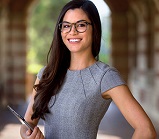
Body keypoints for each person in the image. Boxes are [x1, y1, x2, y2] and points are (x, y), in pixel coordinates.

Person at [20, 0, 157, 139]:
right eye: (66, 26)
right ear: (60, 31)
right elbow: (28, 122)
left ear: (94, 28)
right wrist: (27, 135)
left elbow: (146, 130)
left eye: (81, 25)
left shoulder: (104, 76)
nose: (72, 32)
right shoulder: (46, 74)